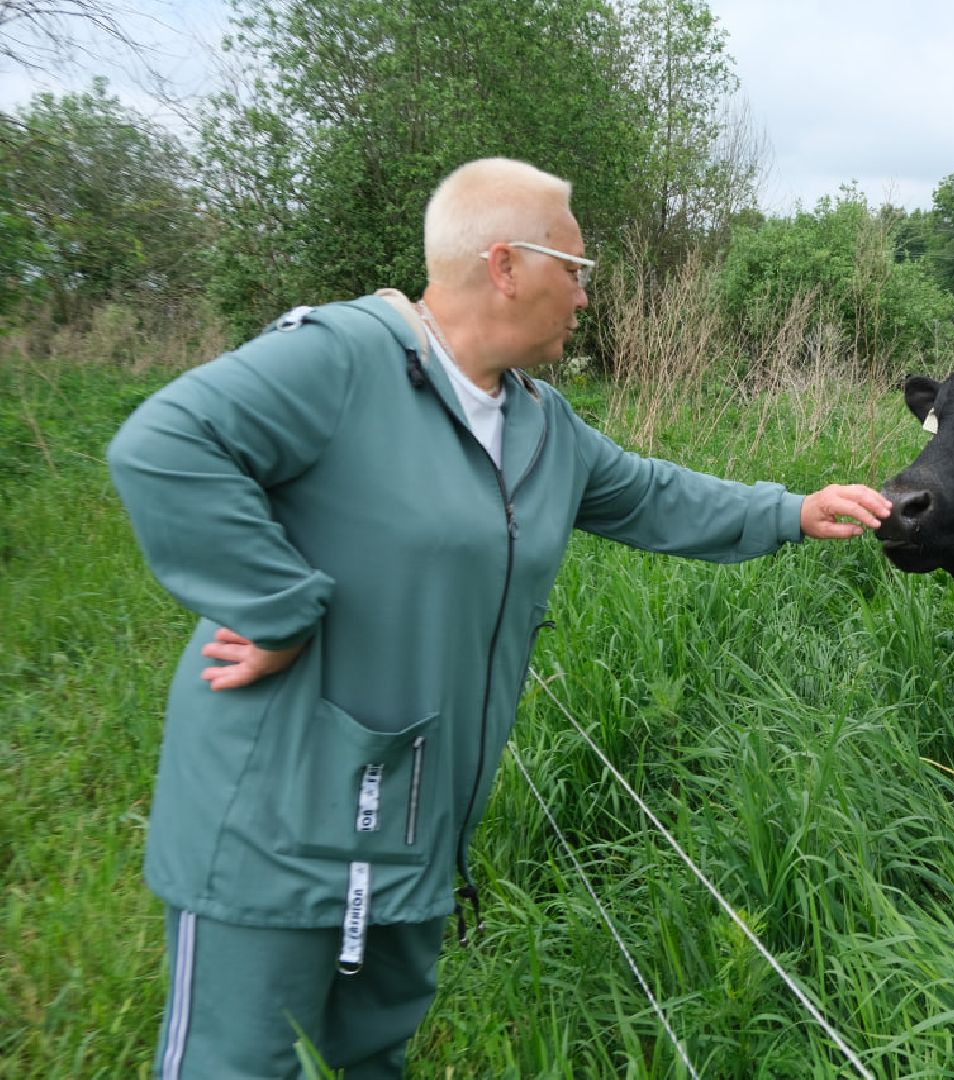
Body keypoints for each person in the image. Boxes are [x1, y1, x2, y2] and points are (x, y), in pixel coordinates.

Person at [107, 156, 892, 1079]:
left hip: (411, 818)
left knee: (372, 1054)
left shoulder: (539, 424)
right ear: (505, 265)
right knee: (234, 1063)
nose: (585, 298)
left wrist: (790, 511)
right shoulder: (341, 358)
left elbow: (653, 497)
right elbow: (163, 445)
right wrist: (275, 608)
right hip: (271, 820)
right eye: (577, 270)